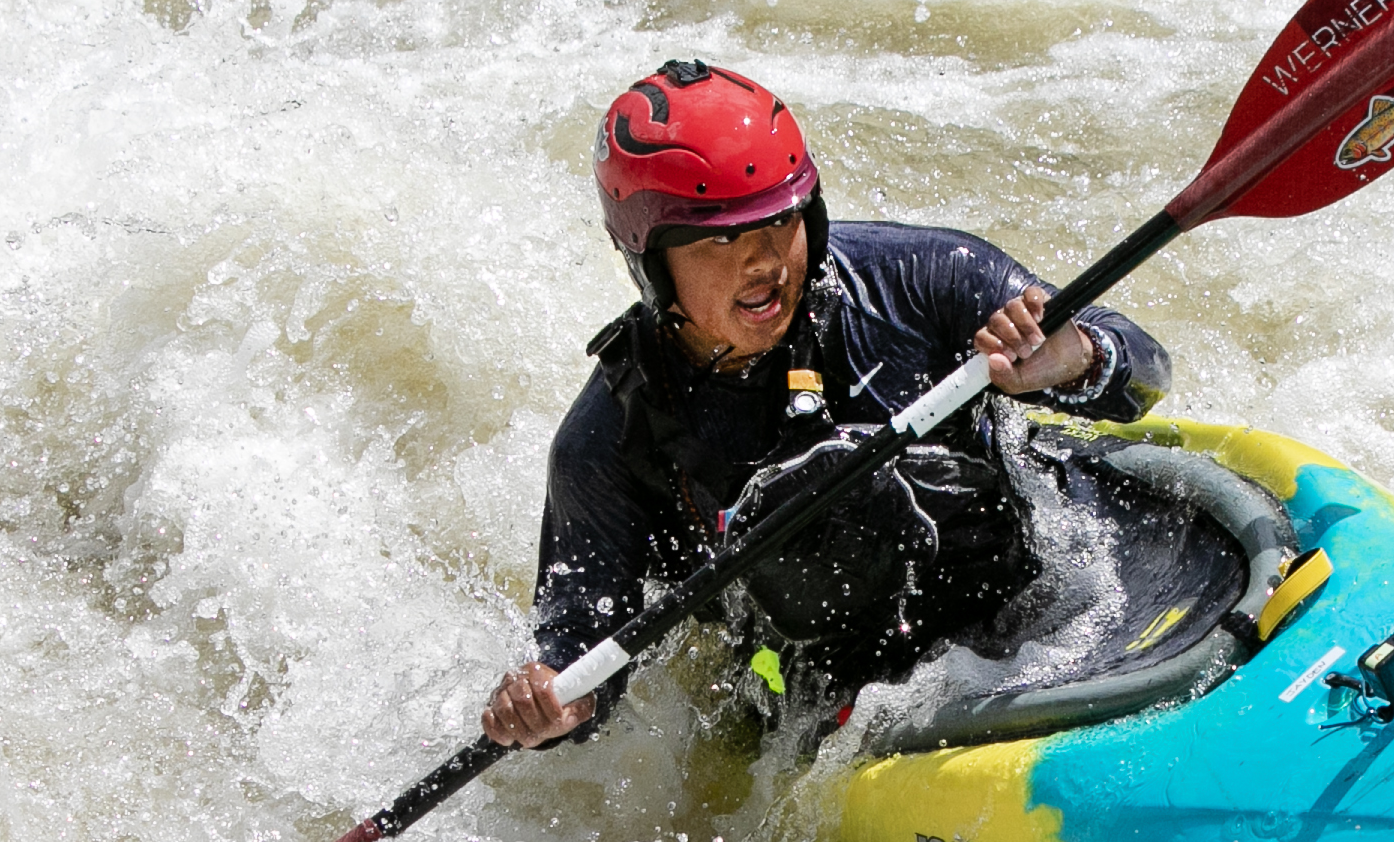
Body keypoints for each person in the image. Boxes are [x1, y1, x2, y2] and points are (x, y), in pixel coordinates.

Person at [483, 60, 1171, 750]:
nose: (763, 260)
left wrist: (1076, 357)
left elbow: (1144, 373)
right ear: (648, 257)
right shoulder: (605, 441)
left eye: (781, 220)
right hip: (815, 685)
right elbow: (579, 656)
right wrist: (549, 702)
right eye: (720, 237)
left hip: (1032, 603)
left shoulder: (926, 278)